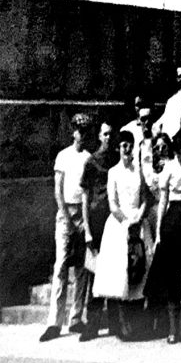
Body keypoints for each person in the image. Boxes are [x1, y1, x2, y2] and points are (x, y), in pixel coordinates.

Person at [92, 131, 155, 340]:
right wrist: (127, 222)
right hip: (120, 225)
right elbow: (113, 204)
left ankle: (138, 323)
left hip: (138, 221)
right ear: (118, 149)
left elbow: (146, 198)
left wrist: (138, 217)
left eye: (130, 145)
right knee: (122, 272)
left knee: (139, 268)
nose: (127, 150)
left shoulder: (139, 172)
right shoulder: (113, 172)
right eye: (123, 146)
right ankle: (122, 325)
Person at [40, 113, 93, 343]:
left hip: (82, 214)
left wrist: (83, 221)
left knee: (82, 267)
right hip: (65, 214)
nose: (81, 134)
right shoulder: (63, 156)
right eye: (78, 130)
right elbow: (57, 190)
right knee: (61, 265)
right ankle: (54, 322)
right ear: (73, 132)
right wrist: (66, 216)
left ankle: (76, 317)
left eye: (85, 131)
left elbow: (87, 191)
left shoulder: (89, 158)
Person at [144, 132, 181, 343]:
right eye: (179, 149)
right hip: (172, 222)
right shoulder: (169, 168)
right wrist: (158, 233)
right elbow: (163, 202)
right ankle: (172, 329)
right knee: (173, 277)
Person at [78, 121, 118, 342]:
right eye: (105, 134)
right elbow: (85, 197)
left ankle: (114, 323)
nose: (108, 138)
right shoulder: (91, 162)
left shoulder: (116, 159)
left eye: (111, 134)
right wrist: (87, 230)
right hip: (95, 221)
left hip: (113, 222)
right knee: (94, 274)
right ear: (99, 136)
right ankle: (91, 325)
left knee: (112, 270)